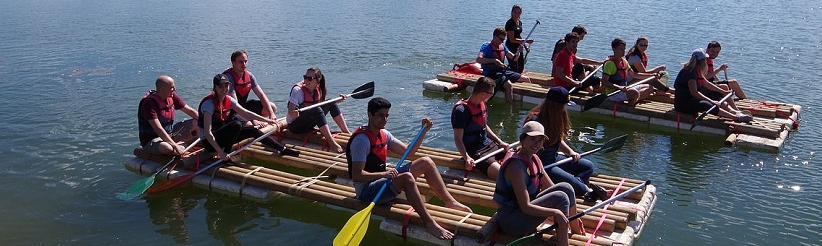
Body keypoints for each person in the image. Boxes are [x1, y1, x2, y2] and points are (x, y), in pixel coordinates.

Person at [346, 97, 472, 240]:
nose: (385, 119)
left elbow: (409, 152)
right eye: (381, 116)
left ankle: (450, 202)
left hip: (383, 180)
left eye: (387, 116)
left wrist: (423, 130)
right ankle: (430, 223)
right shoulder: (361, 141)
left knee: (426, 161)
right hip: (366, 191)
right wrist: (385, 174)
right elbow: (357, 175)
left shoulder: (384, 134)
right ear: (370, 115)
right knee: (406, 178)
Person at [491, 121, 584, 246]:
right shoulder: (515, 167)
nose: (537, 143)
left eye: (540, 140)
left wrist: (572, 216)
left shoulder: (535, 159)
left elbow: (553, 187)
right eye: (532, 139)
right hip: (510, 222)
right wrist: (555, 212)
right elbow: (525, 206)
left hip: (522, 213)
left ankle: (576, 231)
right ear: (522, 140)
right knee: (560, 197)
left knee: (566, 187)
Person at [525, 87, 609, 202]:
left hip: (554, 158)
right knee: (580, 189)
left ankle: (574, 182)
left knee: (588, 166)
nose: (564, 109)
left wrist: (570, 152)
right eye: (563, 105)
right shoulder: (535, 121)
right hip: (543, 165)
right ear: (555, 106)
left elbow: (557, 139)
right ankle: (580, 186)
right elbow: (528, 147)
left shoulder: (556, 118)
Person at [199, 74, 299, 161]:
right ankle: (226, 156)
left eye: (226, 85)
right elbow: (208, 133)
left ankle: (283, 149)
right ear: (215, 87)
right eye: (220, 86)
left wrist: (268, 120)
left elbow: (246, 113)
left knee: (253, 131)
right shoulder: (209, 105)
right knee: (236, 125)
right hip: (209, 143)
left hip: (221, 137)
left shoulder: (228, 99)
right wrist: (221, 153)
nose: (224, 89)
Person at [451, 77, 510, 179]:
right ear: (483, 94)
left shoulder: (482, 105)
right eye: (491, 93)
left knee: (514, 156)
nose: (491, 96)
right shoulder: (460, 111)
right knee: (503, 175)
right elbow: (458, 138)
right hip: (475, 151)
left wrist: (500, 142)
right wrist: (467, 158)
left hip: (488, 144)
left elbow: (484, 126)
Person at [673, 49, 752, 123]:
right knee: (706, 104)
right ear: (702, 61)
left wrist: (723, 91)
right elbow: (694, 92)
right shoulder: (690, 73)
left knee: (716, 94)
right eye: (705, 60)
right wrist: (712, 101)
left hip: (692, 100)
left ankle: (733, 111)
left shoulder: (696, 70)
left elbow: (706, 83)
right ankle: (736, 117)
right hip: (683, 104)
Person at [287, 67, 350, 153]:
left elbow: (322, 104)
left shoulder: (318, 90)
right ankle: (332, 143)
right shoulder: (297, 90)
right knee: (316, 110)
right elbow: (291, 110)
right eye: (305, 77)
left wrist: (338, 100)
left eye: (310, 78)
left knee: (331, 102)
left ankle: (346, 132)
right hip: (295, 126)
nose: (306, 80)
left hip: (308, 124)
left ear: (317, 80)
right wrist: (292, 113)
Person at [138, 75, 200, 155]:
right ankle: (183, 146)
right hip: (153, 139)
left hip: (170, 134)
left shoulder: (171, 97)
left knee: (198, 122)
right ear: (162, 89)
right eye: (172, 88)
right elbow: (158, 128)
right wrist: (174, 145)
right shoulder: (149, 103)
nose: (175, 89)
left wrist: (210, 123)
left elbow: (191, 111)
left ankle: (196, 143)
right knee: (166, 148)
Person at [222, 50, 278, 127]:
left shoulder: (249, 76)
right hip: (231, 111)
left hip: (243, 106)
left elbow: (261, 95)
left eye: (245, 61)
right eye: (240, 62)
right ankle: (248, 125)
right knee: (250, 125)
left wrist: (271, 114)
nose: (244, 64)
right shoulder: (228, 78)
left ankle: (256, 122)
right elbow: (236, 105)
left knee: (272, 107)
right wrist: (252, 119)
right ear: (233, 63)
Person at [476, 27, 532, 103]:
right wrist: (494, 61)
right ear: (495, 36)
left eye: (503, 40)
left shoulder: (503, 47)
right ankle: (510, 109)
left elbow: (514, 58)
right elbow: (478, 59)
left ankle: (527, 99)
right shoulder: (486, 47)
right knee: (508, 85)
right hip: (491, 73)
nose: (502, 41)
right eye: (501, 39)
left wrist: (519, 51)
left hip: (503, 71)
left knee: (526, 79)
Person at [600, 38, 662, 106]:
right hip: (614, 93)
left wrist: (652, 76)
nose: (623, 51)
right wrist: (619, 87)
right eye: (621, 49)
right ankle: (633, 99)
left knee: (650, 87)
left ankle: (633, 100)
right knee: (634, 92)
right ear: (614, 49)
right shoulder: (609, 64)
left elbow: (634, 75)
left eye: (624, 49)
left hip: (624, 89)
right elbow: (604, 82)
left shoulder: (624, 61)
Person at [505, 4, 534, 74]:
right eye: (515, 12)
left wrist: (525, 45)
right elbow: (512, 39)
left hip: (519, 46)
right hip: (511, 47)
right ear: (512, 12)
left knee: (521, 67)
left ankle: (517, 78)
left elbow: (518, 35)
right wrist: (526, 41)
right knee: (514, 67)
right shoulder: (510, 23)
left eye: (518, 13)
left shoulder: (519, 22)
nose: (516, 14)